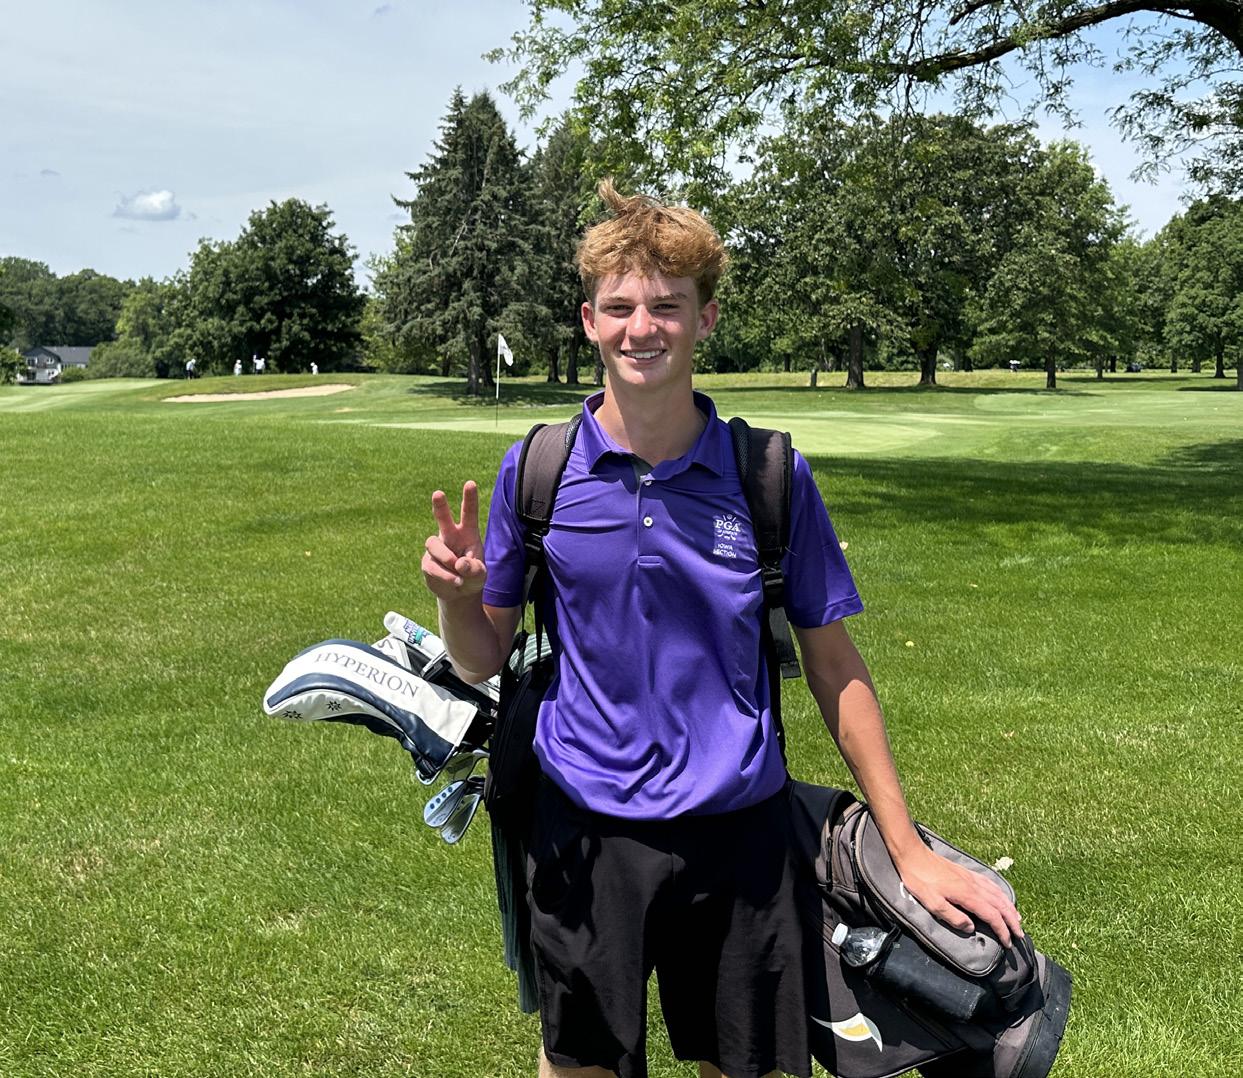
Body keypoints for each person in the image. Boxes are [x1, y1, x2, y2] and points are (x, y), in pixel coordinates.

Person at [421, 182, 1022, 1078]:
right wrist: (459, 599)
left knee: (747, 1067)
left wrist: (906, 851)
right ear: (589, 322)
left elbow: (834, 666)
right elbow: (480, 659)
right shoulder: (538, 469)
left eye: (667, 306)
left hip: (738, 832)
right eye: (620, 308)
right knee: (577, 1065)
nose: (642, 328)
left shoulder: (766, 473)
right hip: (583, 830)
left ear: (704, 319)